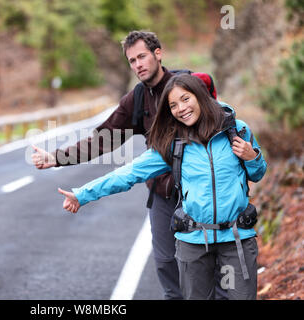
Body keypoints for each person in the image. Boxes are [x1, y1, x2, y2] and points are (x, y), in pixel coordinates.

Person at [32, 30, 223, 299]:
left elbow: (220, 128)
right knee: (167, 264)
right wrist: (56, 158)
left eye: (142, 57)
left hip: (201, 190)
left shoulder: (186, 87)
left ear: (158, 54)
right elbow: (103, 139)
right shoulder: (137, 99)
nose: (138, 65)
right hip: (163, 194)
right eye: (132, 61)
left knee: (205, 267)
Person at [58, 73, 267, 300]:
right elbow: (128, 174)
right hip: (194, 243)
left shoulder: (237, 130)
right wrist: (83, 195)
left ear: (200, 96)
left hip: (235, 241)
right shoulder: (172, 143)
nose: (181, 108)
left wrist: (251, 156)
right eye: (173, 105)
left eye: (186, 99)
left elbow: (257, 173)